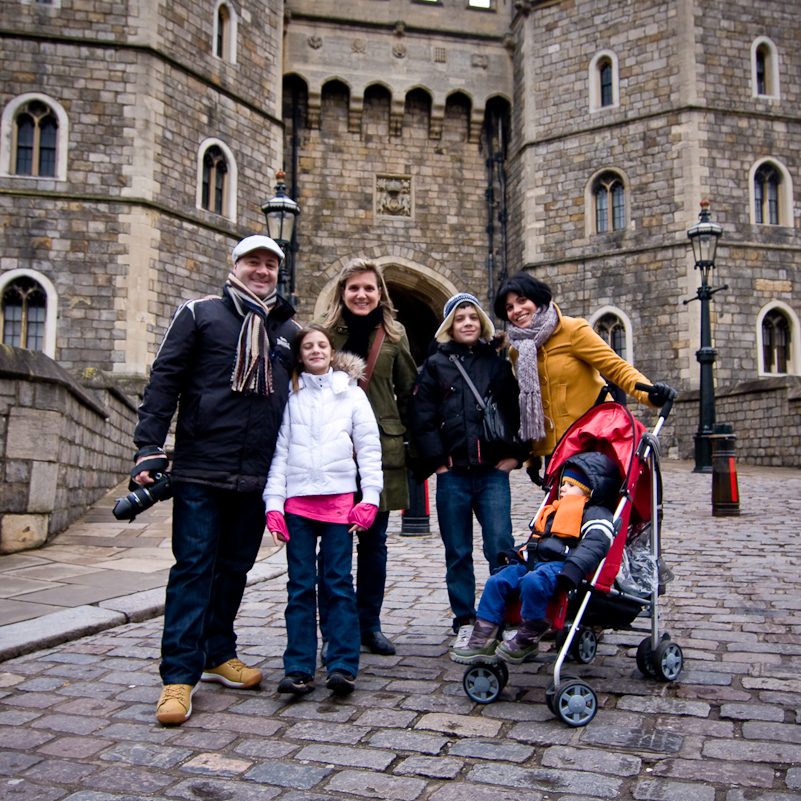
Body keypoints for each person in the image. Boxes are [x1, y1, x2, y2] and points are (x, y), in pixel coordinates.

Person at [133, 234, 299, 725]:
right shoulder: (200, 313)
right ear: (235, 265)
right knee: (193, 569)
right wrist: (148, 445)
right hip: (201, 466)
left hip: (257, 472)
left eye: (270, 264)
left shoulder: (287, 328)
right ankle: (178, 677)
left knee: (234, 568)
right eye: (254, 262)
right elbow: (164, 379)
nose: (262, 271)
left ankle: (216, 651)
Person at [264, 325, 383, 696]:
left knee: (338, 584)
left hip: (338, 504)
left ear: (331, 353)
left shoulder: (351, 394)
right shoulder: (291, 395)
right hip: (298, 504)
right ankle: (298, 666)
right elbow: (280, 451)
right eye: (308, 346)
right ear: (300, 355)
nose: (316, 350)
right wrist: (273, 504)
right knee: (300, 587)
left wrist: (370, 498)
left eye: (322, 345)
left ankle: (343, 664)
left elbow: (368, 446)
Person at [409, 293, 528, 647]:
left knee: (500, 548)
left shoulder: (496, 363)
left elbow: (519, 407)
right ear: (450, 325)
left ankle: (503, 616)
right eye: (460, 318)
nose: (467, 323)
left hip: (492, 473)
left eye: (472, 317)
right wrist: (439, 464)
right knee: (457, 552)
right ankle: (464, 618)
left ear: (481, 324)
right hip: (454, 476)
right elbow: (423, 418)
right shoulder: (435, 365)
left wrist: (516, 457)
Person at [317, 259, 417, 657]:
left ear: (380, 294)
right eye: (354, 288)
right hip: (334, 455)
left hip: (381, 454)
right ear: (343, 293)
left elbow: (410, 393)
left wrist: (416, 449)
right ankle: (335, 628)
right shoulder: (324, 335)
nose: (362, 295)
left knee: (374, 546)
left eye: (369, 289)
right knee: (334, 547)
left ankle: (369, 624)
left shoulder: (394, 334)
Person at [493, 272, 676, 479]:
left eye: (522, 301)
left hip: (591, 440)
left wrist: (649, 394)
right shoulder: (516, 350)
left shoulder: (573, 330)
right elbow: (528, 406)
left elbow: (616, 367)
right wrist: (532, 460)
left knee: (589, 509)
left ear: (537, 299)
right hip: (554, 452)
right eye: (509, 307)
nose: (517, 310)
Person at [450, 452, 619, 665]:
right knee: (497, 580)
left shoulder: (595, 514)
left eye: (570, 485)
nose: (562, 488)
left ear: (588, 490)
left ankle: (529, 635)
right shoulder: (553, 511)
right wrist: (516, 553)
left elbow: (594, 545)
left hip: (562, 565)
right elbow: (538, 540)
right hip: (534, 561)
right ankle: (482, 636)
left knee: (533, 581)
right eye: (562, 483)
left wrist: (575, 568)